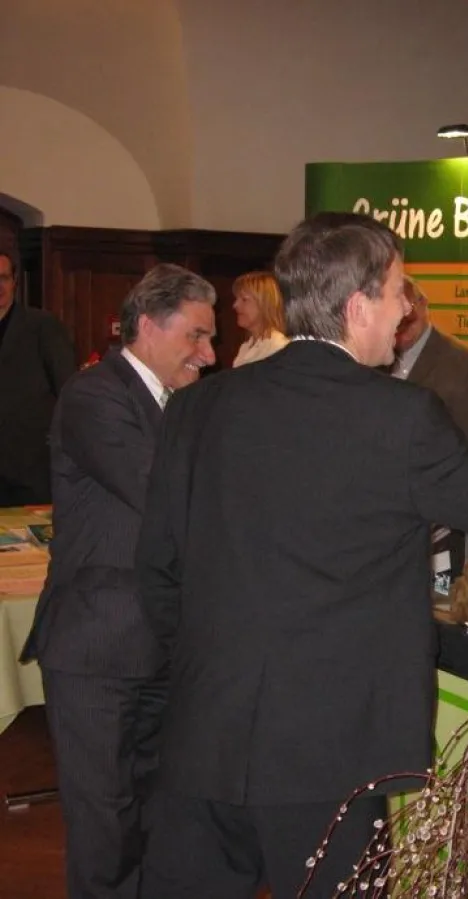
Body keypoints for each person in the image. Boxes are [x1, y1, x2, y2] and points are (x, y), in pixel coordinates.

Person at [133, 213, 468, 899]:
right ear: (357, 308)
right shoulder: (398, 416)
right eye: (397, 290)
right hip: (328, 756)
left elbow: (156, 572)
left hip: (201, 737)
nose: (405, 307)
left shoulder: (196, 409)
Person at [21, 263, 217, 899]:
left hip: (163, 644)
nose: (209, 355)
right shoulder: (94, 396)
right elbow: (162, 493)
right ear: (148, 326)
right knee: (105, 825)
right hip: (99, 648)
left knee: (158, 817)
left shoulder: (181, 404)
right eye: (196, 336)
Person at [0, 249, 77, 506]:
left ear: (14, 283)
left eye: (3, 278)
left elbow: (69, 391)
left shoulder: (42, 326)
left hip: (30, 469)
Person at [391, 274, 468, 444]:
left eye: (409, 312)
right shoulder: (374, 358)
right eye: (396, 315)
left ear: (424, 304)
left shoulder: (466, 364)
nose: (403, 321)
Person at [231, 270, 289, 367]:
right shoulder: (245, 347)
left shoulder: (278, 347)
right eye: (236, 299)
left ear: (265, 304)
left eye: (244, 299)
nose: (235, 305)